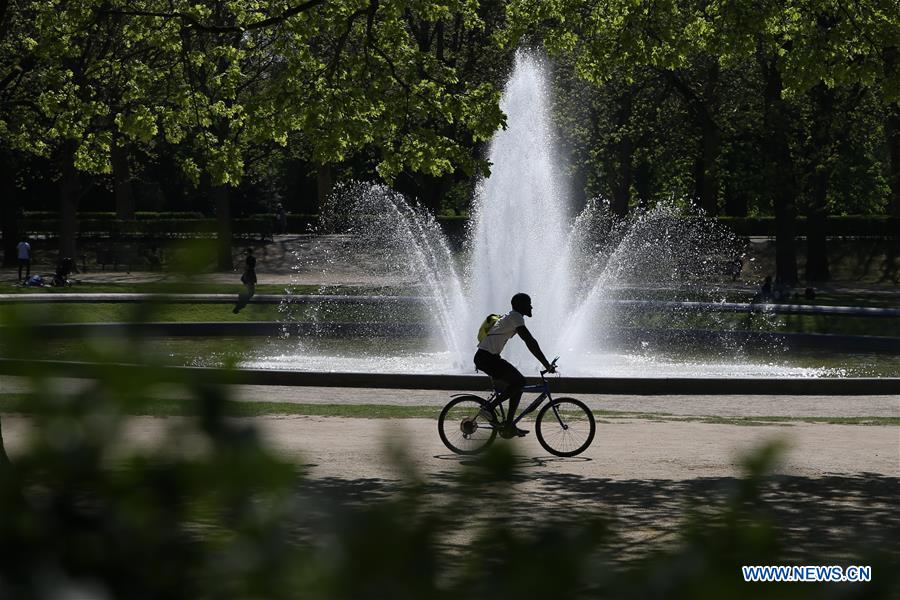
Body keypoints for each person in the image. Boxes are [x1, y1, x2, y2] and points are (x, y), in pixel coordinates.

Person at [474, 292, 555, 438]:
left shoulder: (512, 316)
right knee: (520, 381)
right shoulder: (515, 317)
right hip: (486, 358)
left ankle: (509, 425)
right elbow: (530, 341)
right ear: (520, 305)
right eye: (528, 303)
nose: (531, 306)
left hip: (487, 358)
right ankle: (488, 408)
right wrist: (546, 364)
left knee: (518, 386)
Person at [233, 249, 257, 314]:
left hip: (249, 273)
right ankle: (246, 293)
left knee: (247, 282)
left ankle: (245, 293)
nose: (246, 253)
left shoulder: (249, 259)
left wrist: (245, 271)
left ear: (249, 253)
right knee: (249, 285)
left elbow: (248, 266)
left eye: (247, 252)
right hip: (250, 273)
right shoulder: (252, 258)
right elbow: (251, 266)